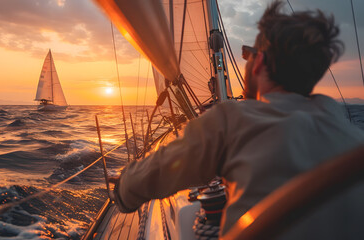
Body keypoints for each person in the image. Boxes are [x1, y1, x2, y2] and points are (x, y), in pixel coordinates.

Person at [109, 1, 364, 239]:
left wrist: (123, 190)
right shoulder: (351, 134)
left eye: (248, 54)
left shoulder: (233, 120)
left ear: (259, 62)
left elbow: (158, 171)